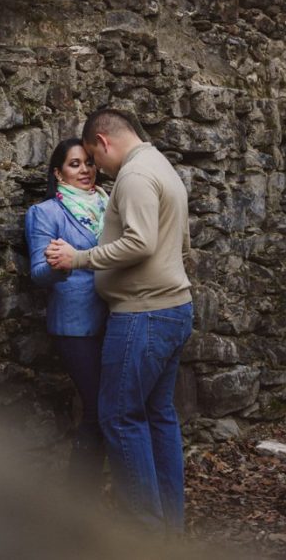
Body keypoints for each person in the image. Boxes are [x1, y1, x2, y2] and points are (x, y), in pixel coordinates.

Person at [44, 108, 193, 534]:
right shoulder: (161, 165)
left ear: (104, 142)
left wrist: (79, 258)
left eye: (93, 156)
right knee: (157, 414)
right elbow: (178, 239)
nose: (96, 168)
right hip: (172, 308)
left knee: (118, 416)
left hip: (142, 315)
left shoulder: (133, 175)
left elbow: (140, 242)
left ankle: (144, 532)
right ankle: (169, 528)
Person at [25, 138, 111, 492]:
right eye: (75, 164)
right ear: (58, 173)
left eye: (89, 162)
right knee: (97, 409)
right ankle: (80, 498)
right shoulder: (45, 213)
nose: (85, 170)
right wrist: (64, 261)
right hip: (75, 326)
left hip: (117, 315)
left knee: (114, 409)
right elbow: (38, 273)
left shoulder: (111, 205)